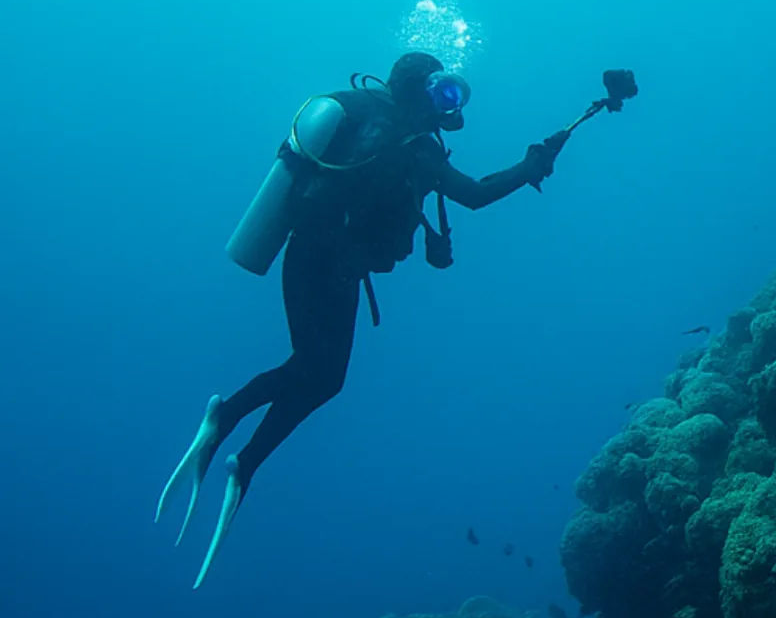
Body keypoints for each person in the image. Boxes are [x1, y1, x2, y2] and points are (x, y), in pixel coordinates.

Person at [158, 52, 569, 587]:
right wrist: (531, 166)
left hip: (306, 256)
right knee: (320, 373)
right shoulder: (414, 148)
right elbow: (475, 195)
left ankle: (238, 450)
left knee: (319, 373)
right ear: (423, 92)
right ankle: (229, 427)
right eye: (444, 93)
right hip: (336, 267)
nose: (451, 104)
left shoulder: (372, 123)